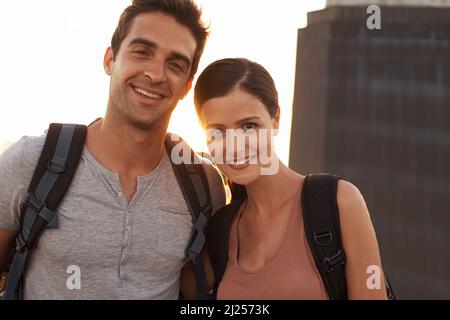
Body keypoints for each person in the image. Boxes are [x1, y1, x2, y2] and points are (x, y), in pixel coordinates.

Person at [0, 0, 225, 299]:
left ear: (186, 86)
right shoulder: (29, 162)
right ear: (110, 59)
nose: (156, 74)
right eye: (142, 52)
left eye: (175, 64)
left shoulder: (202, 184)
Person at [181, 58, 388, 300]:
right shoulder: (220, 229)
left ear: (276, 119)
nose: (234, 146)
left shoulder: (337, 201)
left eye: (249, 126)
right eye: (218, 131)